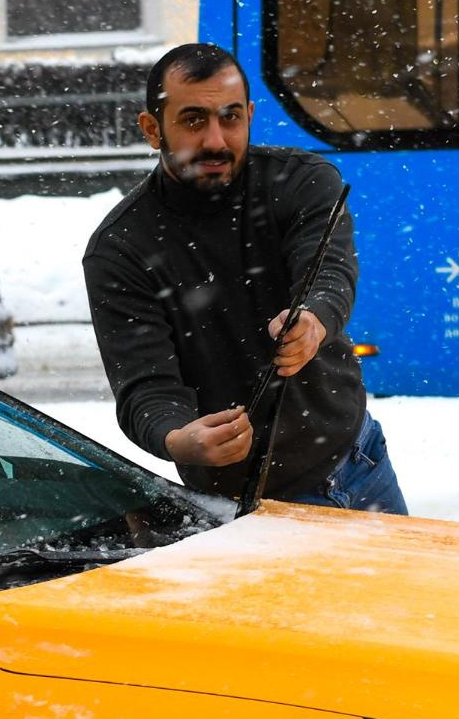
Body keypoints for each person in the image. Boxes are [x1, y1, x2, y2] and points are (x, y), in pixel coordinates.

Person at [80, 42, 406, 514]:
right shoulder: (120, 248)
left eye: (230, 117)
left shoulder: (303, 181)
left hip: (358, 461)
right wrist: (177, 437)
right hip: (245, 504)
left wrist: (313, 319)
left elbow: (330, 272)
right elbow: (144, 386)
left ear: (250, 114)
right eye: (194, 120)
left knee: (398, 593)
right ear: (152, 128)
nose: (216, 139)